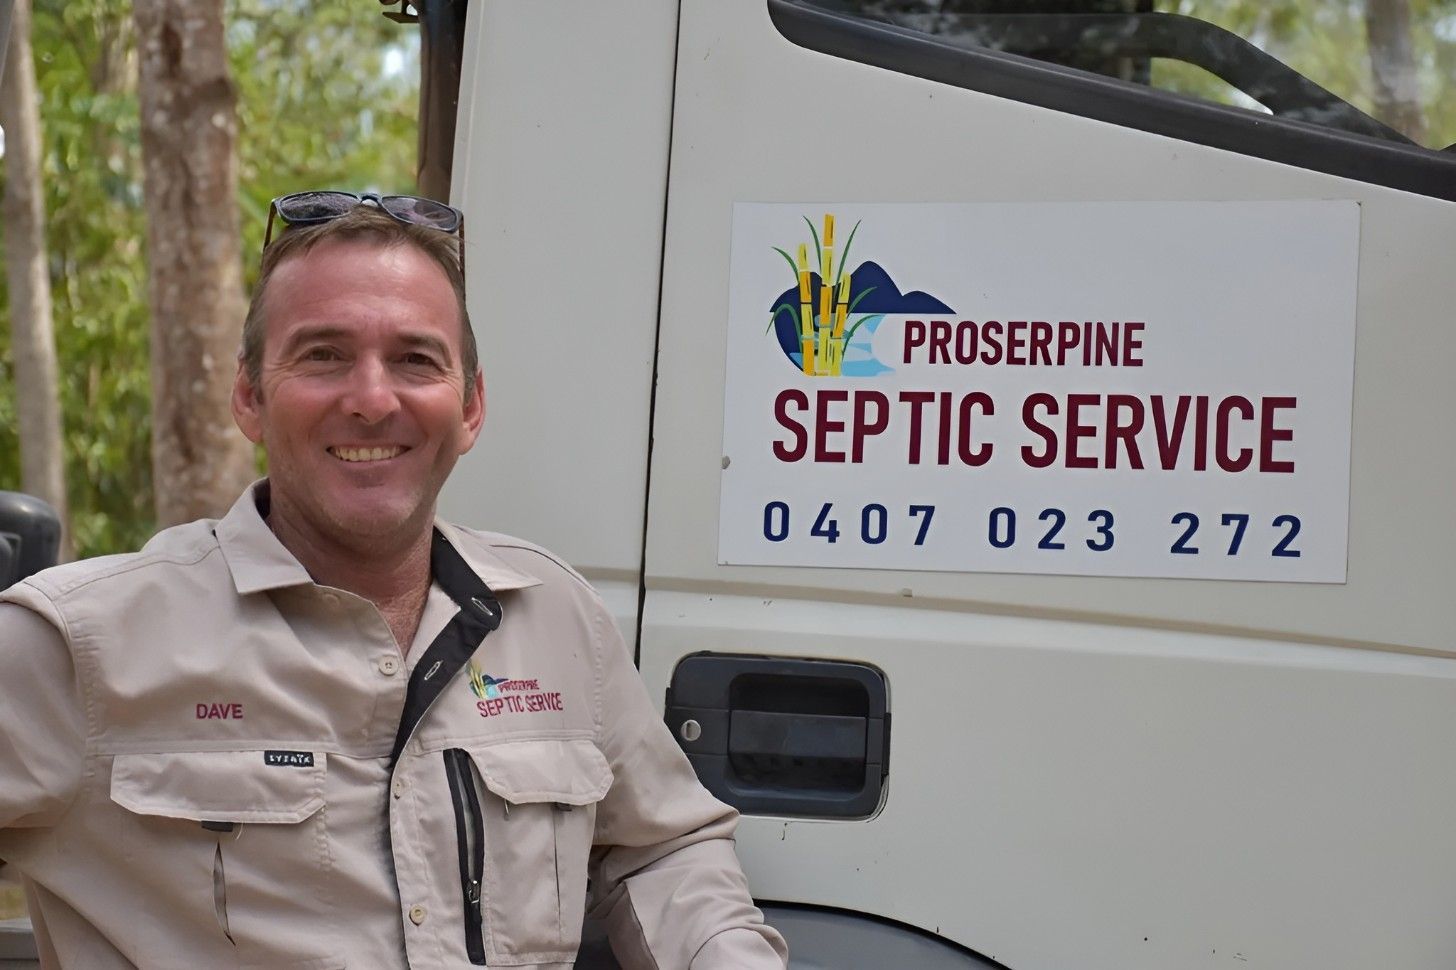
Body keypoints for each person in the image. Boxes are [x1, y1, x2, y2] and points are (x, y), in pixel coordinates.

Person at [0, 192, 788, 969]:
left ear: (470, 406)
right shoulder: (79, 644)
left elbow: (660, 849)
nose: (373, 400)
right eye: (323, 356)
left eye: (415, 359)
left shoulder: (556, 619)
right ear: (250, 396)